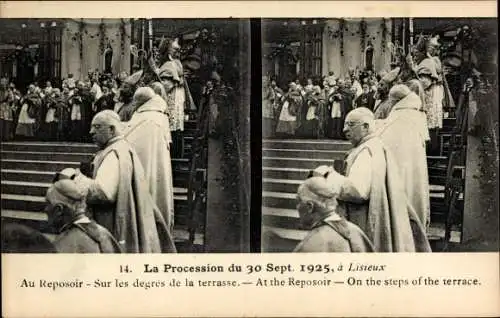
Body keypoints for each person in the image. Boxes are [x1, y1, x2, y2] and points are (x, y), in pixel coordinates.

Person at [328, 107, 431, 252]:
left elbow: (358, 191)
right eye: (345, 125)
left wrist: (329, 177)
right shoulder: (376, 145)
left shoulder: (366, 151)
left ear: (366, 126)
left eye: (350, 125)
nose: (344, 130)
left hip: (362, 219)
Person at [73, 110, 176, 253]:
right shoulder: (122, 148)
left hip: (111, 223)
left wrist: (77, 179)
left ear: (112, 129)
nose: (91, 132)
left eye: (97, 127)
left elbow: (104, 193)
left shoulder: (114, 153)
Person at [376, 84, 431, 229]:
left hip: (401, 165)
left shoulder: (401, 115)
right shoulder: (413, 113)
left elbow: (386, 138)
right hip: (412, 166)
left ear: (395, 100)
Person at [123, 87, 175, 231]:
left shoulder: (149, 118)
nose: (133, 103)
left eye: (135, 100)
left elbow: (134, 140)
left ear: (141, 101)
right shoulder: (156, 114)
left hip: (146, 164)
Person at [293, 173, 375, 253]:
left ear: (310, 206)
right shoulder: (357, 232)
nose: (297, 207)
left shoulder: (309, 246)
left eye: (298, 201)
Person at [45, 174, 122, 253]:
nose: (46, 209)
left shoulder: (61, 245)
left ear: (59, 210)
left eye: (48, 204)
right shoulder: (105, 234)